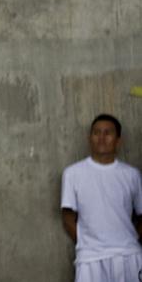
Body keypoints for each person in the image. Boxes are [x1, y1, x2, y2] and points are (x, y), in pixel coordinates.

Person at [61, 114, 142, 282]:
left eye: (108, 133)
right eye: (97, 133)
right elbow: (68, 218)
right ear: (89, 138)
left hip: (128, 255)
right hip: (90, 259)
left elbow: (141, 215)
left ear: (118, 140)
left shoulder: (132, 175)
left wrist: (130, 240)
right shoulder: (73, 173)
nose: (102, 138)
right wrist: (89, 243)